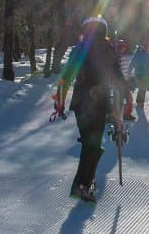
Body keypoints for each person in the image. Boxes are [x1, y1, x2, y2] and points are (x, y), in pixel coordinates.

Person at [53, 15, 128, 204]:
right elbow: (118, 79)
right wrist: (123, 97)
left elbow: (66, 77)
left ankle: (86, 182)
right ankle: (81, 185)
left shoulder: (78, 50)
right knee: (92, 145)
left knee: (90, 144)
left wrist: (60, 101)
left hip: (80, 104)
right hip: (99, 104)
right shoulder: (108, 49)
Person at [114, 39, 135, 121]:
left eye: (124, 46)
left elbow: (125, 71)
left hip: (124, 82)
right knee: (125, 100)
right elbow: (117, 72)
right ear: (118, 47)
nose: (123, 48)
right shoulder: (117, 57)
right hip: (120, 83)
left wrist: (129, 79)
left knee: (124, 100)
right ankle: (118, 116)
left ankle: (125, 115)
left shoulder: (121, 56)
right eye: (121, 46)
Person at [127, 44, 149, 108]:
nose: (146, 49)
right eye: (146, 47)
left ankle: (139, 102)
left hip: (139, 74)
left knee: (142, 88)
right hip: (144, 75)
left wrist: (129, 71)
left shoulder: (137, 55)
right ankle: (140, 103)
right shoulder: (147, 55)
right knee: (142, 89)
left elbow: (132, 63)